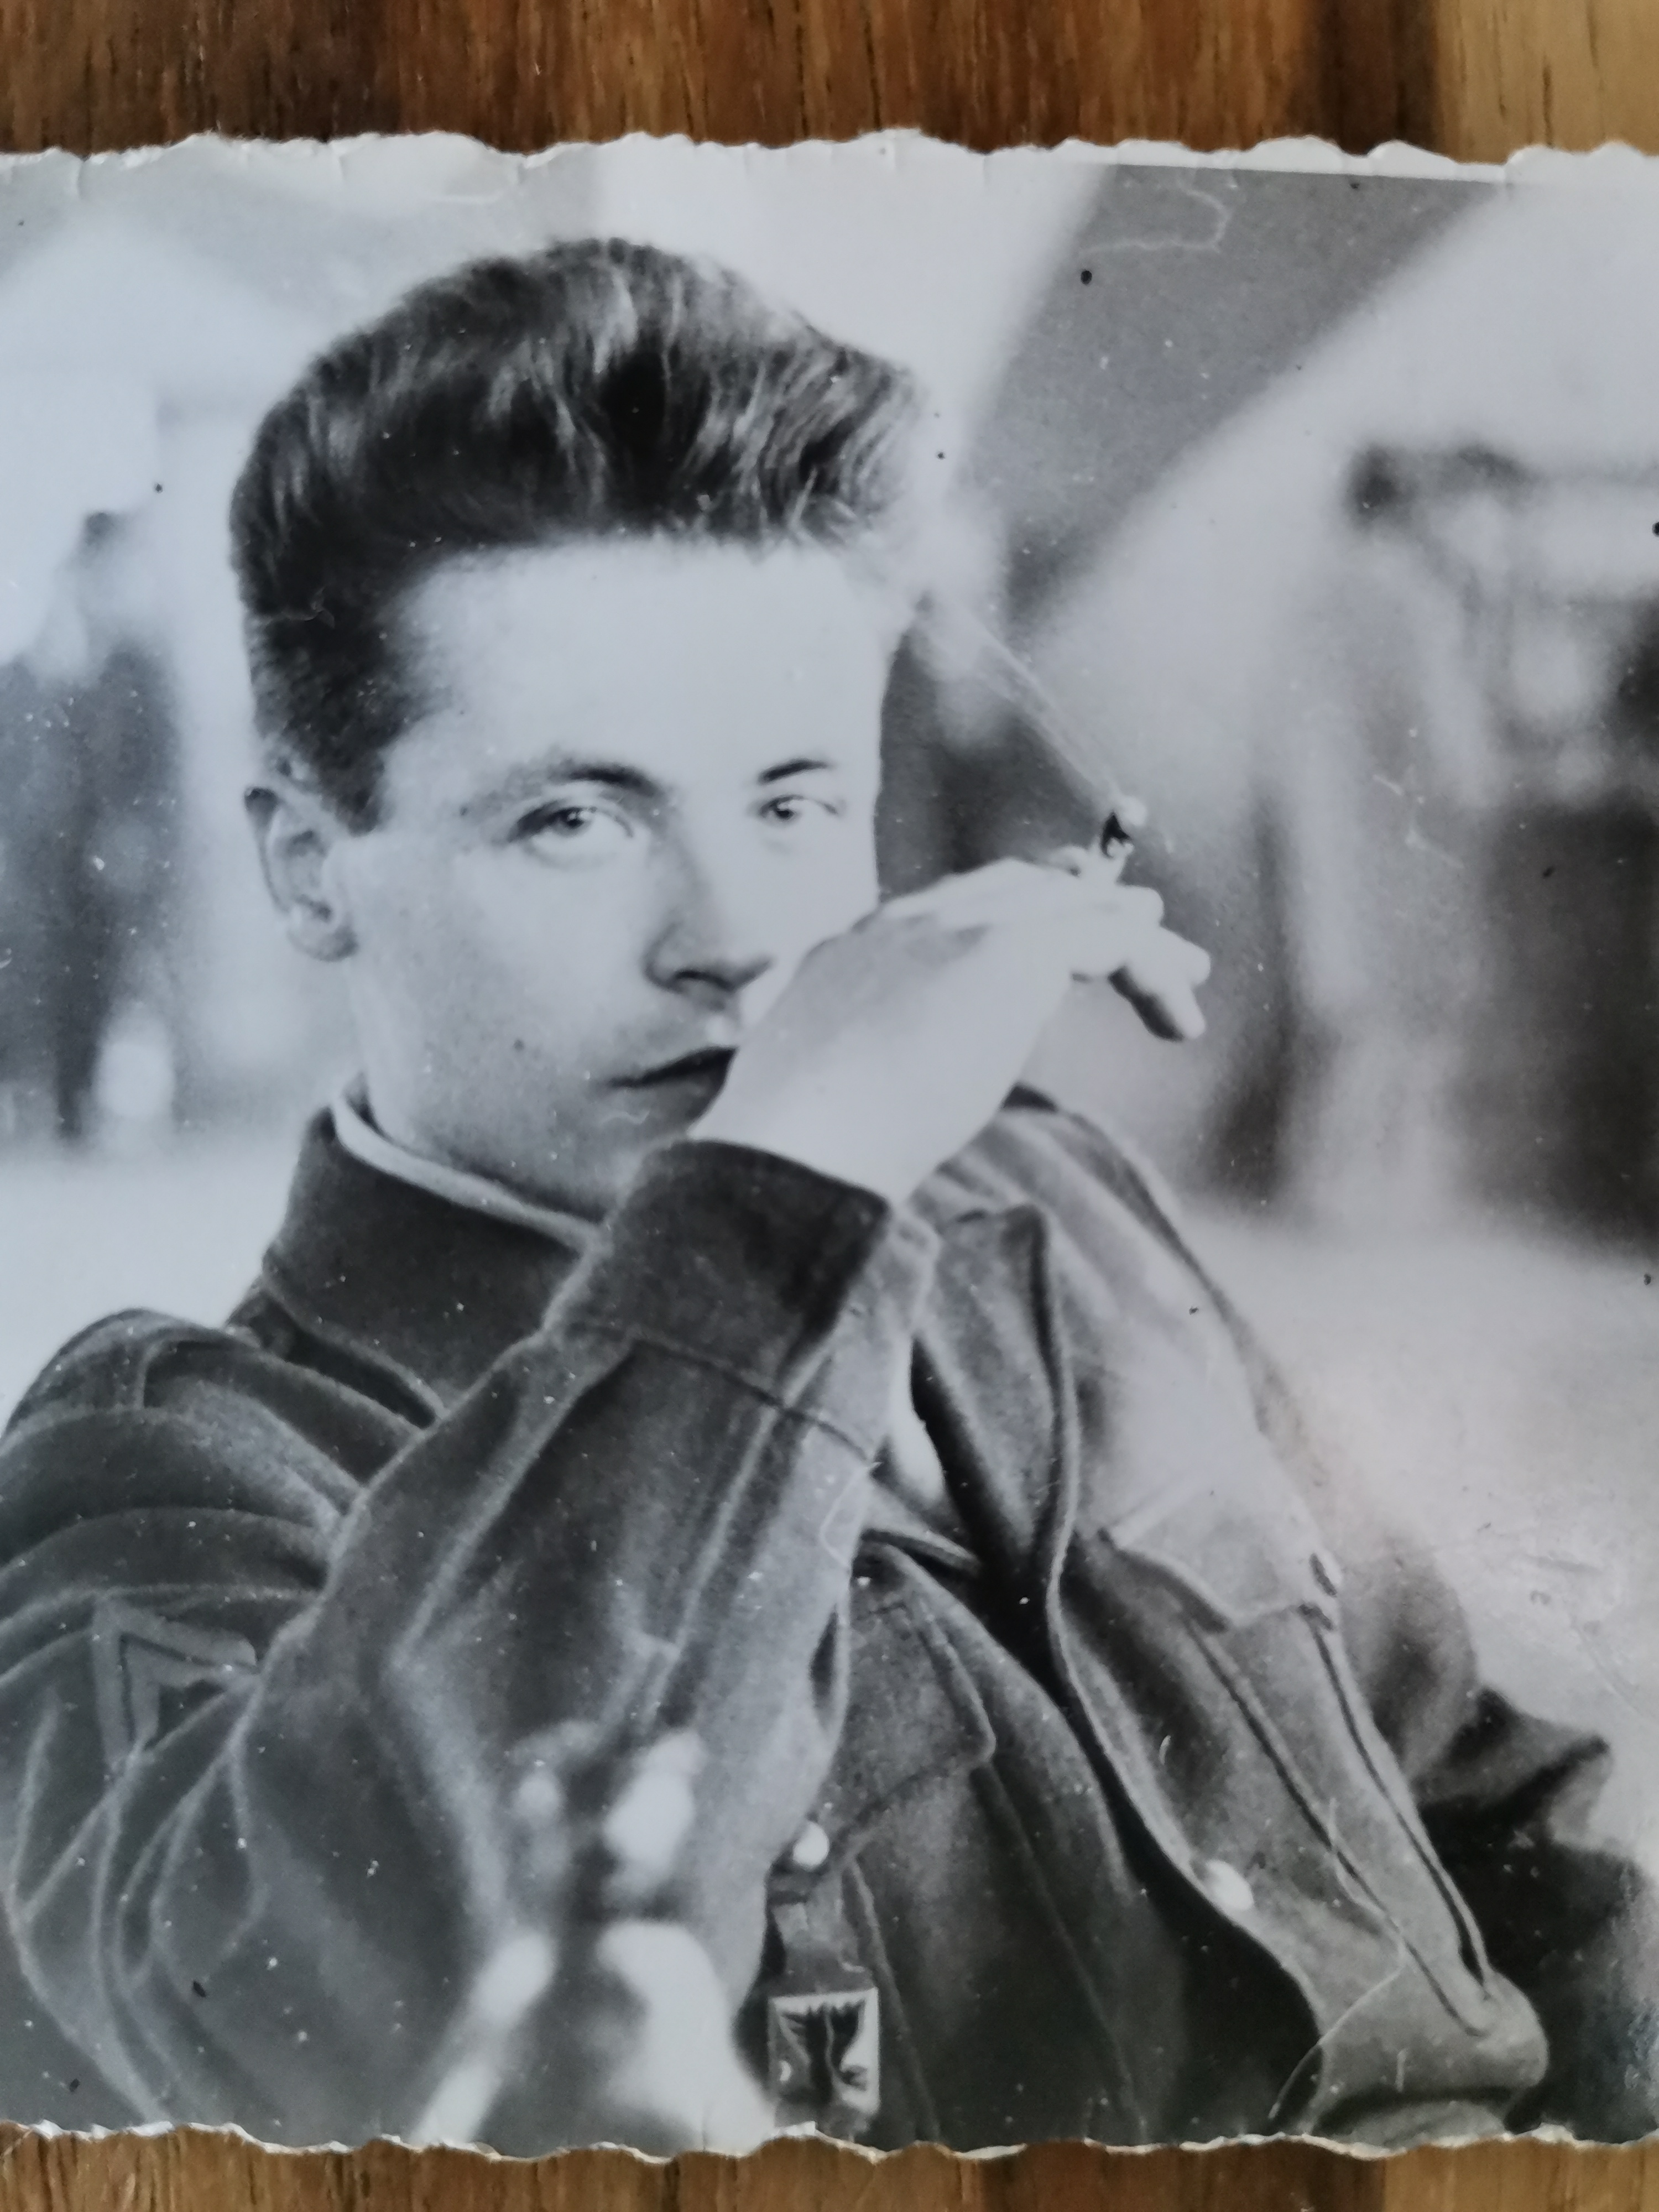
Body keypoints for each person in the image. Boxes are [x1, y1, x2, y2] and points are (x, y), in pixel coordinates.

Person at [0, 239, 1652, 2153]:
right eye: (575, 819)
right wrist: (782, 1188)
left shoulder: (1046, 1206)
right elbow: (396, 2059)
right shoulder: (171, 1477)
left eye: (794, 804)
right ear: (309, 869)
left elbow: (1485, 1798)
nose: (735, 941)